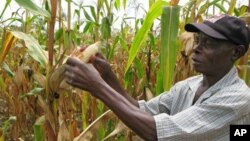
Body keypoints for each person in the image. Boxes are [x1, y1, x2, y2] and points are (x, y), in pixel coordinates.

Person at [64, 14, 250, 141]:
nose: (196, 49)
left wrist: (97, 87)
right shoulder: (188, 86)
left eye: (209, 43)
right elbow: (140, 110)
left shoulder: (237, 99)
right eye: (198, 40)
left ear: (236, 52)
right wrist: (106, 76)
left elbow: (155, 132)